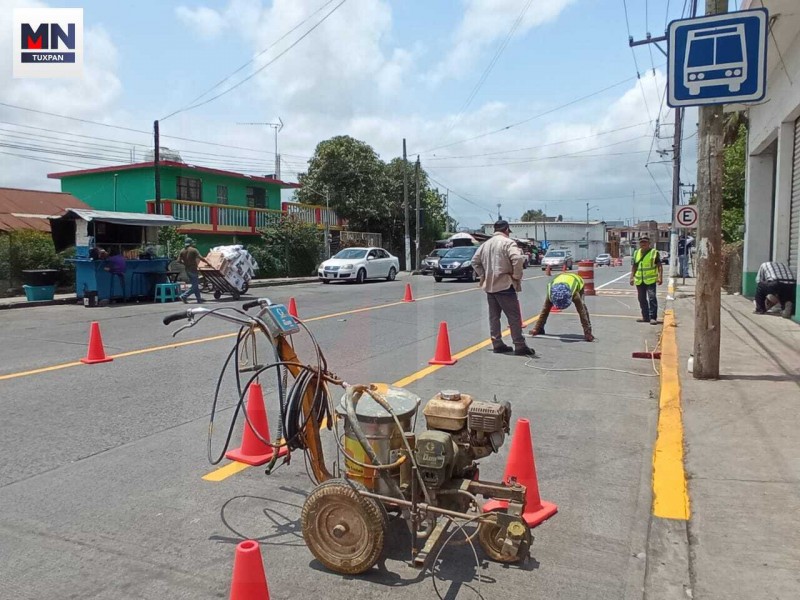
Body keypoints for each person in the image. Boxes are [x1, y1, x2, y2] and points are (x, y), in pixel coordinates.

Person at [471, 220, 535, 356]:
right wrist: (516, 276)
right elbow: (517, 259)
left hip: (490, 285)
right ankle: (519, 344)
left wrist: (484, 275)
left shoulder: (485, 245)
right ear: (506, 229)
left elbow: (474, 261)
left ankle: (497, 343)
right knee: (514, 316)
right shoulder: (508, 242)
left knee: (494, 317)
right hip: (505, 284)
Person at [528, 272, 594, 341]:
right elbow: (545, 310)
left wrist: (587, 333)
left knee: (582, 307)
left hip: (577, 280)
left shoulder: (574, 294)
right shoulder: (551, 293)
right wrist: (536, 329)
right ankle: (540, 328)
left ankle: (588, 331)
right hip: (561, 279)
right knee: (546, 307)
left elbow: (582, 312)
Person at [629, 236, 662, 325]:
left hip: (650, 280)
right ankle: (645, 317)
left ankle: (653, 317)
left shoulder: (654, 253)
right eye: (641, 242)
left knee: (652, 298)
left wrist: (660, 277)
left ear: (649, 243)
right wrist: (632, 277)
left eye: (645, 242)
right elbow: (634, 266)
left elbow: (659, 265)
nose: (643, 244)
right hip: (639, 280)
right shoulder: (636, 253)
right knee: (641, 298)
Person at [178, 238, 211, 304]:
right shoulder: (194, 250)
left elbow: (178, 260)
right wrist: (207, 263)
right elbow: (201, 257)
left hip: (187, 270)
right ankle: (184, 296)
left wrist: (184, 263)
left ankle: (199, 299)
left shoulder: (182, 251)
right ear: (191, 243)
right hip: (193, 269)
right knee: (195, 285)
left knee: (195, 285)